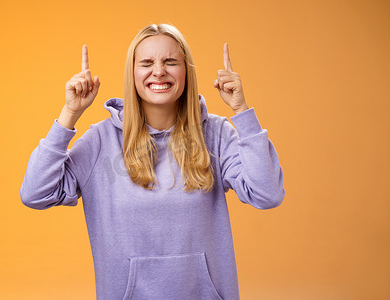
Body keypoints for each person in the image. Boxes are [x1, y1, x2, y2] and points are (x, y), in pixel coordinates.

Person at [20, 23, 285, 300]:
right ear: (132, 74)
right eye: (147, 62)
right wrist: (69, 114)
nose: (158, 71)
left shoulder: (216, 134)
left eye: (170, 61)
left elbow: (267, 194)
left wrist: (242, 111)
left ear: (186, 72)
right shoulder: (100, 141)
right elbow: (35, 193)